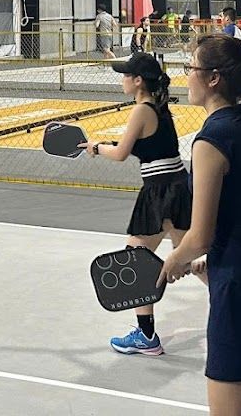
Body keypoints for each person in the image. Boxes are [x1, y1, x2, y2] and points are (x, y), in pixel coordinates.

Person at [160, 35, 241, 415]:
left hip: (238, 290)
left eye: (190, 68)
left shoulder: (210, 141)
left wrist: (174, 262)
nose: (186, 76)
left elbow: (200, 236)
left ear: (213, 78)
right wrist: (214, 262)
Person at [79, 51, 192, 357]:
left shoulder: (141, 110)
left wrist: (96, 148)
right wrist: (104, 145)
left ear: (138, 81)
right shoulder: (158, 106)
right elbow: (141, 146)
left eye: (126, 75)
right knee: (191, 260)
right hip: (177, 186)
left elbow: (120, 154)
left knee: (136, 261)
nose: (122, 80)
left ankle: (147, 337)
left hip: (159, 193)